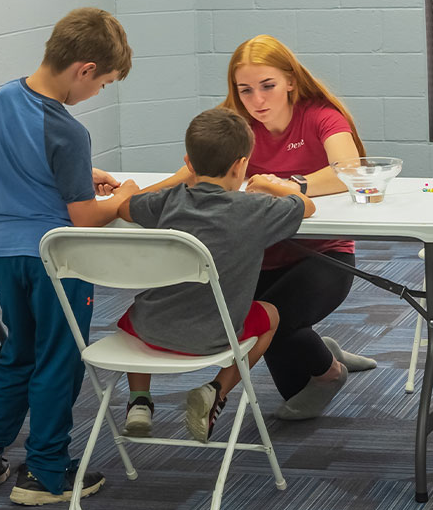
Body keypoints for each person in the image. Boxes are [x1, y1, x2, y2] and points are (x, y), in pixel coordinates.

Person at [0, 8, 140, 506]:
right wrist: (121, 199)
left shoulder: (4, 98)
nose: (98, 93)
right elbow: (83, 218)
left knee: (18, 353)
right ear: (84, 70)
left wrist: (82, 175)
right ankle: (45, 469)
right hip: (57, 260)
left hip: (7, 254)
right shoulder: (70, 131)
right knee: (59, 361)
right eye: (103, 84)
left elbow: (30, 166)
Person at [142, 35, 379, 422]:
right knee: (258, 333)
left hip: (324, 253)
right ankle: (323, 352)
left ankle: (330, 373)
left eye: (267, 86)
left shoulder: (320, 115)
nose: (257, 100)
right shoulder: (235, 123)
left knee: (274, 324)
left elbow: (349, 171)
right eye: (245, 90)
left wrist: (292, 185)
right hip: (261, 257)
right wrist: (123, 198)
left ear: (290, 80)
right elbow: (189, 175)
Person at [113, 108, 315, 443]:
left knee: (138, 308)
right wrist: (268, 184)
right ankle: (216, 391)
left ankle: (139, 401)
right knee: (271, 314)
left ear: (188, 163)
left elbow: (125, 207)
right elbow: (306, 206)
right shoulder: (255, 210)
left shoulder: (166, 202)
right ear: (241, 164)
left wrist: (129, 190)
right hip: (217, 335)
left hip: (152, 328)